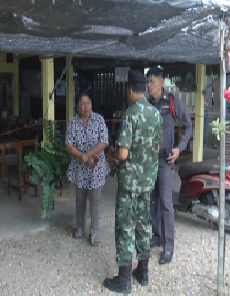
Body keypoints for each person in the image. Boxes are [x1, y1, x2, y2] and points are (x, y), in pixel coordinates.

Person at [103, 70, 162, 293]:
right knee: (143, 224)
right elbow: (156, 147)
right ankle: (143, 272)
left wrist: (112, 152)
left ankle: (124, 279)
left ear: (129, 90)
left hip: (129, 183)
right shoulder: (155, 114)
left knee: (125, 226)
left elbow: (124, 154)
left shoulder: (130, 114)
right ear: (145, 88)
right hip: (147, 182)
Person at [146, 66, 192, 264]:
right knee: (153, 200)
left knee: (166, 203)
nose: (149, 86)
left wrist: (179, 148)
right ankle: (156, 236)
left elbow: (188, 125)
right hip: (149, 160)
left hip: (165, 160)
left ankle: (169, 246)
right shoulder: (146, 103)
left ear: (161, 82)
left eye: (152, 82)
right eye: (147, 82)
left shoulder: (172, 102)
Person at [65, 91, 109, 246]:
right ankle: (79, 228)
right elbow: (69, 145)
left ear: (91, 104)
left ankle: (94, 232)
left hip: (96, 166)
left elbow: (104, 142)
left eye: (88, 103)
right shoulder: (72, 122)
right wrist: (81, 157)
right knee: (80, 199)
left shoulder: (99, 119)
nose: (85, 107)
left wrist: (88, 155)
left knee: (95, 200)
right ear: (77, 106)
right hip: (79, 168)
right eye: (82, 103)